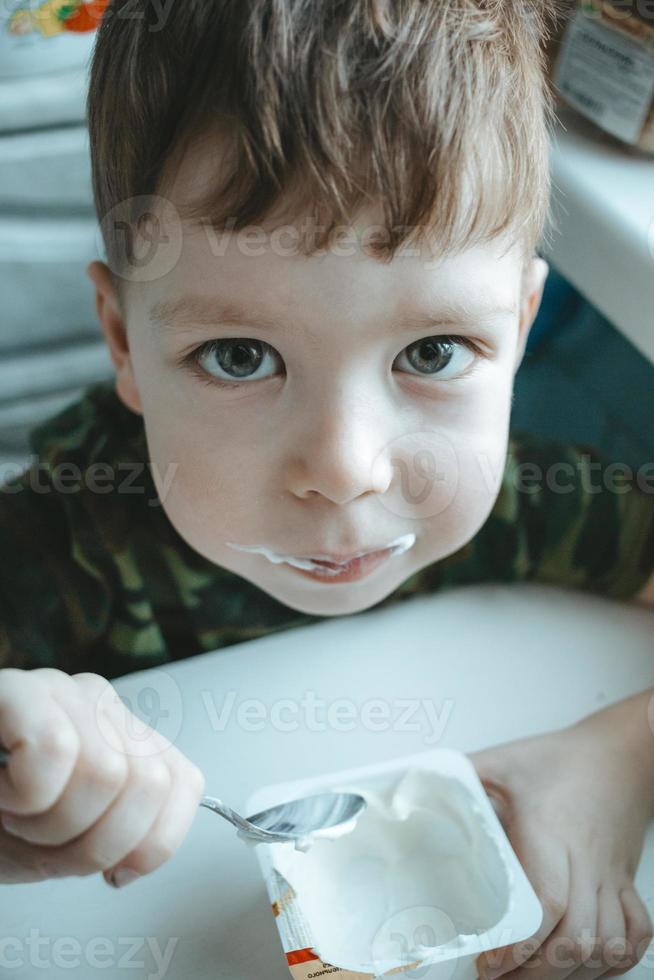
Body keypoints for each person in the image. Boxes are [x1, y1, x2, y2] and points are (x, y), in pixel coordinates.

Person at [1, 1, 653, 976]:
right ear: (125, 340)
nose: (347, 467)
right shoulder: (70, 538)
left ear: (518, 325)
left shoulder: (531, 496)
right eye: (239, 354)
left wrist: (618, 757)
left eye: (432, 351)